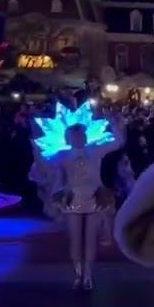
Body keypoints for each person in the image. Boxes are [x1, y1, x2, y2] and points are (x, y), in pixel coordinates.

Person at [49, 124, 121, 290]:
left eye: (82, 135)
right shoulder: (63, 155)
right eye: (76, 136)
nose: (80, 139)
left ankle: (88, 275)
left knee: (90, 240)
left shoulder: (95, 150)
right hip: (73, 199)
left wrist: (115, 122)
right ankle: (78, 274)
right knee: (75, 240)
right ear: (69, 139)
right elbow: (46, 167)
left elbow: (118, 142)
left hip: (95, 197)